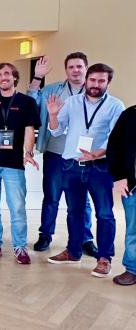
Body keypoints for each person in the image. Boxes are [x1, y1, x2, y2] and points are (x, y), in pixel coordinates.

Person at [46, 63, 125, 278]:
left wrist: (98, 153)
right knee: (74, 212)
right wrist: (53, 114)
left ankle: (104, 258)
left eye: (101, 81)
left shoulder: (116, 106)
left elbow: (116, 138)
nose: (96, 84)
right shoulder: (71, 102)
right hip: (71, 166)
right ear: (87, 80)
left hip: (99, 167)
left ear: (108, 82)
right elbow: (57, 131)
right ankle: (73, 251)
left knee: (105, 214)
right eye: (93, 80)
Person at [28, 53, 96, 255]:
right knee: (51, 197)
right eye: (71, 67)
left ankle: (85, 239)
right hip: (56, 153)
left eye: (79, 66)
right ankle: (45, 235)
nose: (76, 70)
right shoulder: (52, 90)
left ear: (86, 68)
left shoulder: (95, 93)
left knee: (83, 200)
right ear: (66, 70)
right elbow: (31, 103)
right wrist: (37, 78)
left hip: (83, 155)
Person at [0, 63, 39, 264]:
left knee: (17, 207)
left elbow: (30, 129)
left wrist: (28, 152)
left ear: (14, 77)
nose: (3, 77)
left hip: (13, 164)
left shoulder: (27, 102)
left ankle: (20, 247)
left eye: (7, 74)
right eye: (0, 74)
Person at [107, 104, 136, 285]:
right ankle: (132, 269)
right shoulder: (130, 115)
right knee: (133, 230)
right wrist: (119, 176)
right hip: (133, 186)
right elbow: (114, 146)